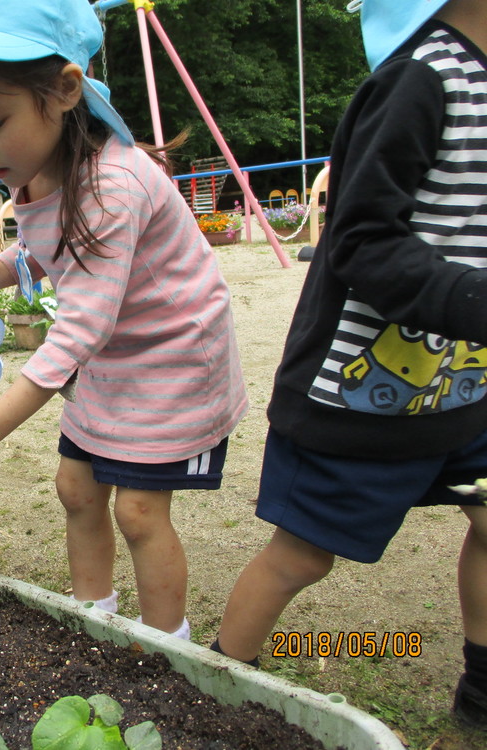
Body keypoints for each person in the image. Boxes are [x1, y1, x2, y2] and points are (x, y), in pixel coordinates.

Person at [0, 0, 248, 637]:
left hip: (171, 356)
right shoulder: (37, 168)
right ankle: (96, 621)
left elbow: (79, 329)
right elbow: (47, 244)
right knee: (76, 488)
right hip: (114, 354)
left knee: (141, 512)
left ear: (66, 90)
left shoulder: (113, 184)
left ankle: (161, 650)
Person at [211, 0, 487, 731]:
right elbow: (361, 241)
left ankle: (478, 710)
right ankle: (206, 704)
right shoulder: (422, 78)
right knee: (301, 557)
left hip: (471, 384)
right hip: (362, 393)